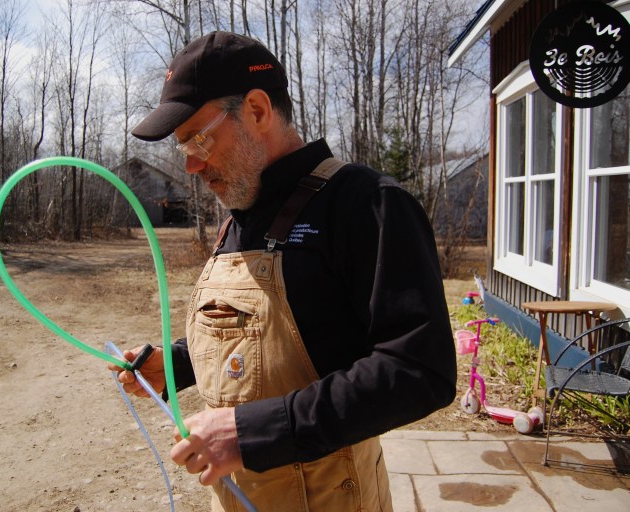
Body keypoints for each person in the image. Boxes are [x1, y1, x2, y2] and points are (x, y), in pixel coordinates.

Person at [110, 31, 457, 512]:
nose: (190, 164)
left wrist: (251, 432)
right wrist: (173, 364)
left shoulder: (366, 204)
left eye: (198, 138)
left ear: (255, 109)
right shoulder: (240, 214)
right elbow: (259, 334)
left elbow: (419, 371)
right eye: (181, 147)